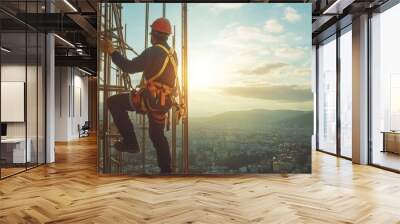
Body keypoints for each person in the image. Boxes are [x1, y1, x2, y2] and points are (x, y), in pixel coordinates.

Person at [100, 18, 178, 174]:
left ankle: (131, 142)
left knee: (113, 102)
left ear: (155, 34)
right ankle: (166, 171)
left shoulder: (154, 51)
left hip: (150, 99)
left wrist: (111, 51)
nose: (150, 35)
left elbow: (129, 67)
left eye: (151, 33)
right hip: (163, 101)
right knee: (156, 135)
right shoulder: (172, 53)